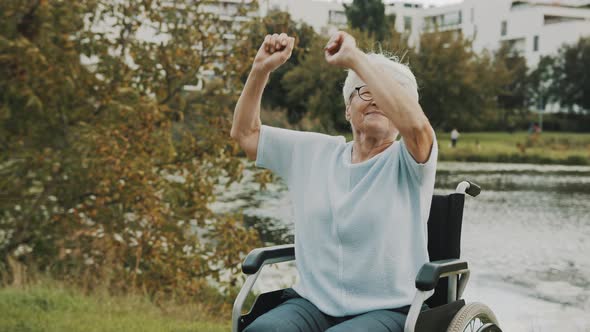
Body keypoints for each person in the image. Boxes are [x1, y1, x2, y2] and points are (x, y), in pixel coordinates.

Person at [230, 31, 437, 332]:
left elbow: (417, 127)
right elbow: (245, 134)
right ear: (347, 109)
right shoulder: (314, 153)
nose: (379, 100)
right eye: (366, 92)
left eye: (392, 96)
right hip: (312, 303)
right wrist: (260, 69)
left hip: (391, 308)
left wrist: (356, 59)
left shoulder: (411, 161)